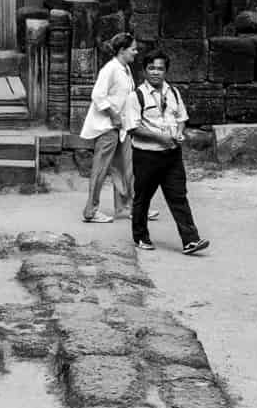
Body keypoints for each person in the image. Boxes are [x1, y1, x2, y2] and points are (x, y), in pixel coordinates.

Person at [126, 51, 207, 255]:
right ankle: (141, 237)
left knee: (179, 197)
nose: (156, 72)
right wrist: (160, 137)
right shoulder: (136, 97)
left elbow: (181, 117)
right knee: (143, 198)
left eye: (160, 68)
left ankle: (190, 240)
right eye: (151, 68)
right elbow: (133, 128)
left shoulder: (174, 93)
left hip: (172, 155)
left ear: (166, 71)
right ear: (144, 71)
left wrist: (179, 133)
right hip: (147, 156)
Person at [79, 32, 138, 223]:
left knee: (125, 167)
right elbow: (97, 95)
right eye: (133, 49)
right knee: (101, 169)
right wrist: (113, 115)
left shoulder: (125, 69)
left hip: (122, 127)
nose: (136, 53)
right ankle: (91, 210)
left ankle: (126, 207)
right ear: (122, 50)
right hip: (107, 127)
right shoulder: (110, 69)